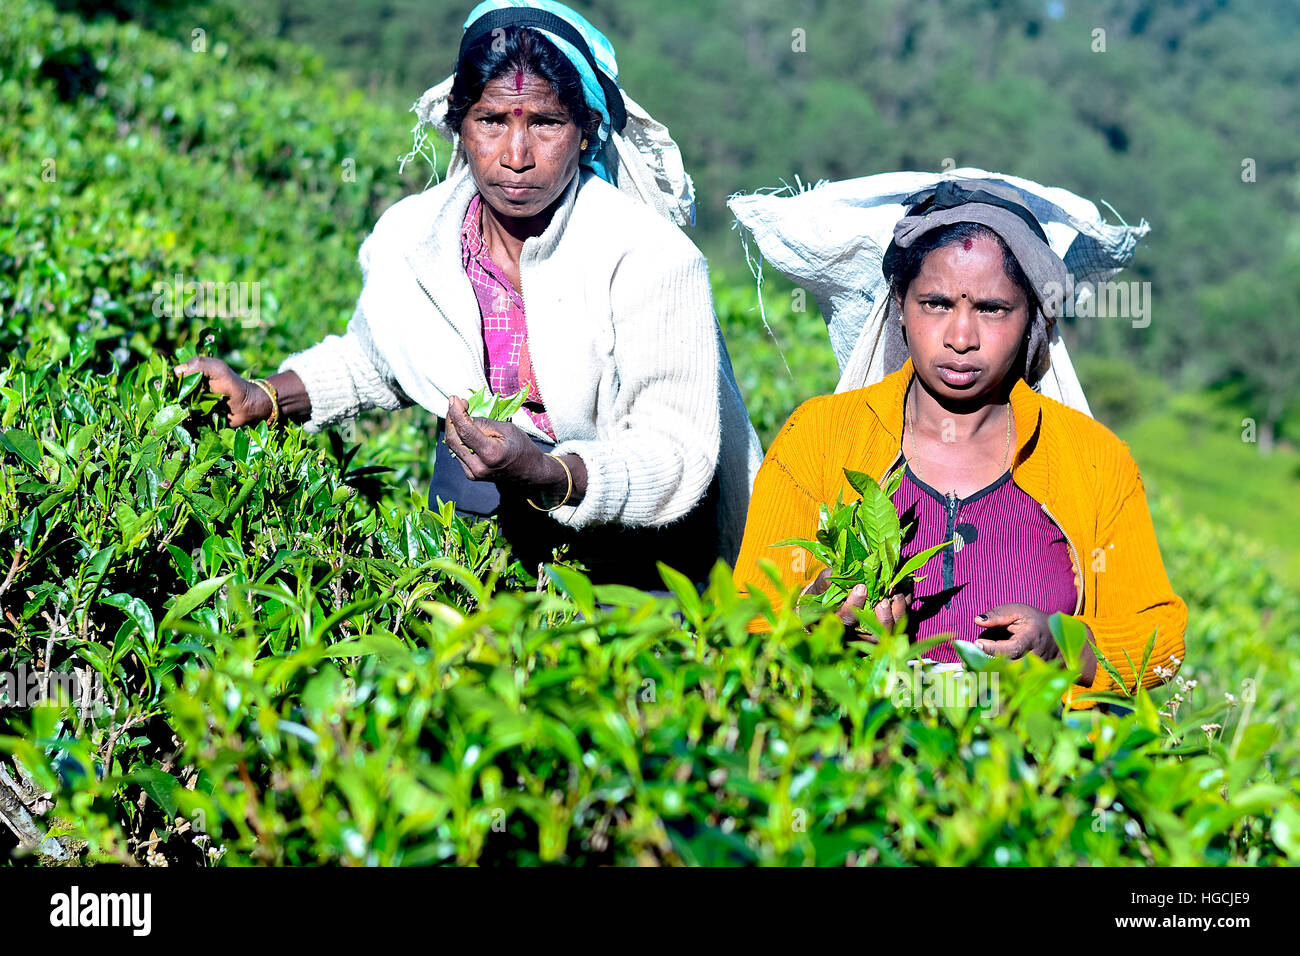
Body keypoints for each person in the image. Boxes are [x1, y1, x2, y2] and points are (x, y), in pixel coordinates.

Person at [174, 0, 762, 590]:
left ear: (585, 135)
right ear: (460, 124)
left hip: (630, 546)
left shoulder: (651, 260)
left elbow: (673, 452)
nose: (516, 155)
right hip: (473, 520)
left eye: (545, 123)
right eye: (492, 121)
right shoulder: (417, 238)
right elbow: (375, 356)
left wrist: (546, 471)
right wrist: (261, 396)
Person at [731, 180, 1186, 709]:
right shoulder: (820, 437)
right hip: (856, 754)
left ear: (1032, 317)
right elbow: (747, 613)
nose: (961, 337)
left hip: (1028, 772)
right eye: (936, 304)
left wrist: (1063, 646)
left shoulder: (1093, 460)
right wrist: (822, 625)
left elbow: (1162, 641)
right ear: (900, 306)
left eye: (993, 309)